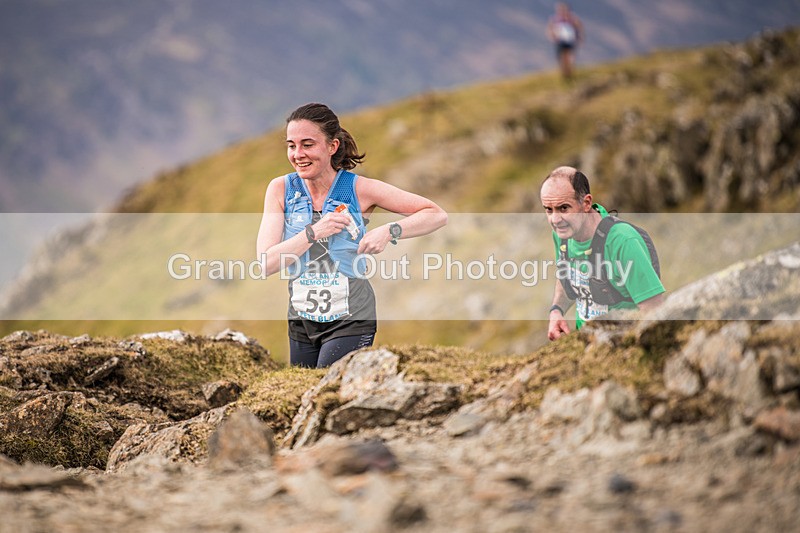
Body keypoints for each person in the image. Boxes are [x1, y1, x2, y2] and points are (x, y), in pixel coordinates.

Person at [257, 103, 447, 367]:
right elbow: (266, 264)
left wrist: (389, 231)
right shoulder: (280, 189)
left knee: (326, 391)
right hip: (301, 320)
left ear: (332, 146)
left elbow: (436, 214)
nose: (298, 154)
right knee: (304, 399)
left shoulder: (360, 189)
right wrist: (313, 233)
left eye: (308, 144)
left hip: (352, 319)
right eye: (292, 145)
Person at [541, 166, 665, 341]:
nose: (555, 219)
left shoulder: (623, 241)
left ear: (586, 203)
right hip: (587, 348)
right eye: (548, 209)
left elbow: (655, 311)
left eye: (563, 208)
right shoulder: (563, 235)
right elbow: (568, 276)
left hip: (625, 347)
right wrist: (556, 311)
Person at [546, 2, 584, 81]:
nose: (563, 11)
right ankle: (564, 74)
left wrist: (580, 37)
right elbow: (550, 28)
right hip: (560, 40)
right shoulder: (555, 19)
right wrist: (552, 36)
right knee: (561, 58)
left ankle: (569, 73)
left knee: (570, 57)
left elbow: (579, 27)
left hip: (570, 40)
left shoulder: (572, 18)